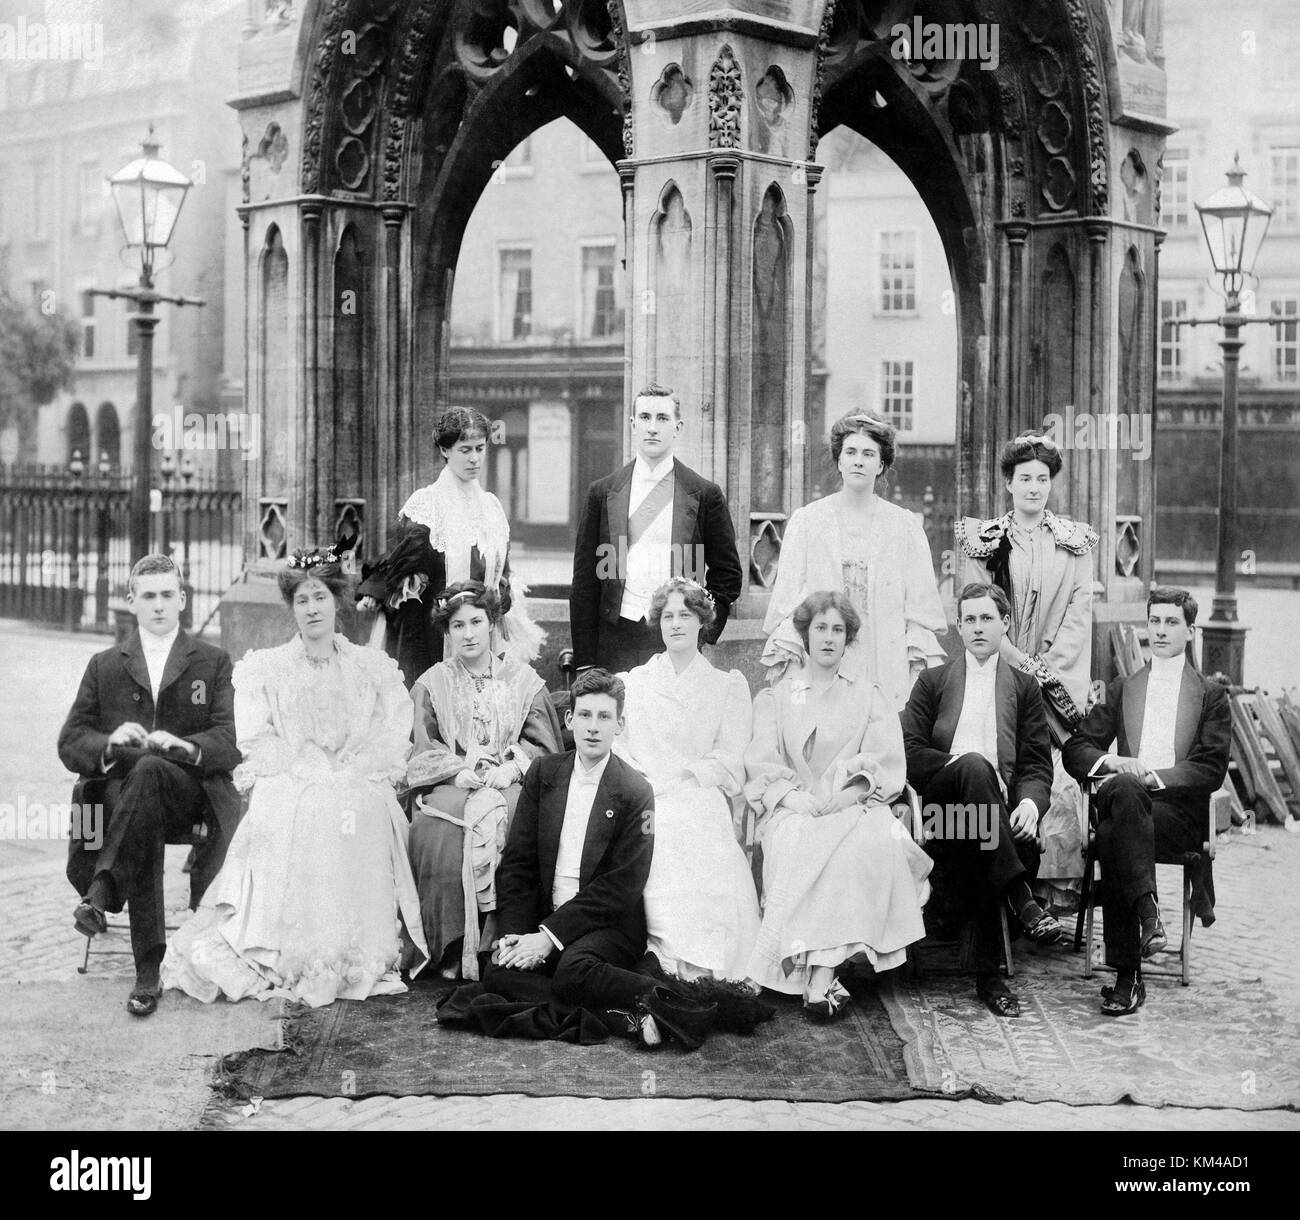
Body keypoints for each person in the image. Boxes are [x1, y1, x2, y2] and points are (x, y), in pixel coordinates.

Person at [161, 547, 429, 1007]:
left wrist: (356, 765)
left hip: (353, 776)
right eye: (302, 600)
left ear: (337, 602)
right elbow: (256, 736)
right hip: (290, 777)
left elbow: (392, 730)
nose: (312, 609)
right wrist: (299, 765)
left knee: (357, 807)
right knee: (296, 808)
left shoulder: (369, 667)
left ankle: (348, 953)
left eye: (320, 597)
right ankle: (290, 953)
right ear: (293, 608)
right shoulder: (268, 669)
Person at [448, 669, 721, 1050]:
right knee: (498, 972)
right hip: (547, 918)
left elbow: (622, 886)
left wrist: (548, 939)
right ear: (569, 719)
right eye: (586, 715)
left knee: (572, 970)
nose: (593, 727)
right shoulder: (544, 773)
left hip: (607, 925)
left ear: (620, 724)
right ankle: (627, 1014)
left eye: (605, 717)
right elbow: (519, 864)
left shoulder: (636, 790)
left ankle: (669, 997)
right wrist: (515, 934)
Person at [59, 554, 242, 1018]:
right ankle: (148, 970)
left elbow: (229, 740)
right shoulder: (103, 665)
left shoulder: (213, 662)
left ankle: (102, 895)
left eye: (167, 595)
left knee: (150, 775)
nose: (158, 605)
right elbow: (71, 741)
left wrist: (182, 745)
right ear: (131, 602)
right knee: (140, 786)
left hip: (190, 798)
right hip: (126, 798)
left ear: (182, 599)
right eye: (148, 596)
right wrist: (108, 741)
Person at [744, 591, 933, 1019]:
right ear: (804, 635)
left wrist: (845, 796)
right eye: (820, 628)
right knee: (797, 836)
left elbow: (887, 763)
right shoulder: (778, 697)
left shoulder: (867, 695)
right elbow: (760, 760)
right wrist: (791, 796)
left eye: (838, 630)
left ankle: (820, 973)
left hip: (857, 805)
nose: (828, 638)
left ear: (848, 639)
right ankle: (813, 975)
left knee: (859, 843)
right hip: (794, 808)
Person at [1061, 587, 1229, 1017]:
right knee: (1123, 799)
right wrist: (1112, 760)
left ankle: (1128, 976)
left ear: (1190, 631)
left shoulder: (1210, 696)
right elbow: (1077, 749)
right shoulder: (1124, 688)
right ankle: (1148, 915)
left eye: (1171, 622)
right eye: (1154, 621)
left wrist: (1152, 776)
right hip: (1128, 804)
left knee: (1119, 820)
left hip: (1175, 816)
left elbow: (1209, 768)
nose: (1160, 630)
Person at [899, 582, 1060, 1018]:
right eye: (969, 619)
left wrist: (1029, 803)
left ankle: (991, 977)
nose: (977, 627)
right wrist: (960, 762)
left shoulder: (1025, 689)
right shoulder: (932, 682)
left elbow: (1036, 765)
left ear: (1005, 624)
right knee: (973, 766)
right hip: (941, 818)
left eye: (987, 618)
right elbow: (907, 752)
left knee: (985, 834)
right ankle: (1020, 897)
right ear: (958, 626)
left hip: (995, 823)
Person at [956, 430, 1099, 912]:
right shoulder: (985, 542)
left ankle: (1049, 894)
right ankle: (1002, 888)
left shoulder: (1074, 544)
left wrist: (1048, 672)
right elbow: (978, 611)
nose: (1034, 487)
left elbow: (1080, 612)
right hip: (1000, 668)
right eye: (1024, 479)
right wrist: (1016, 662)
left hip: (1056, 683)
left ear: (1051, 484)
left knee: (1057, 777)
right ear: (1009, 485)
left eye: (1042, 479)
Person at [405, 581, 563, 981]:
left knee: (511, 817)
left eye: (477, 622)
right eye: (458, 626)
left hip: (511, 781)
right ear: (447, 632)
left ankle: (500, 943)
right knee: (435, 828)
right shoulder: (432, 682)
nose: (469, 633)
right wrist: (457, 768)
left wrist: (512, 767)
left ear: (493, 623)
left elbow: (546, 745)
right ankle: (452, 945)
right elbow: (421, 746)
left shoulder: (524, 680)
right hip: (454, 781)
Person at [615, 577, 760, 981]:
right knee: (661, 834)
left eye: (685, 615)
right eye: (667, 616)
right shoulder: (634, 683)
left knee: (702, 838)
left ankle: (708, 963)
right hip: (646, 796)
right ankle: (671, 956)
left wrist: (687, 776)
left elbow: (731, 758)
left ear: (702, 622)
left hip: (699, 793)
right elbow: (620, 746)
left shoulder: (725, 686)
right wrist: (646, 782)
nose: (675, 624)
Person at [762, 412, 947, 710]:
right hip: (823, 657)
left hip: (884, 661)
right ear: (839, 461)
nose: (858, 461)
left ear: (881, 464)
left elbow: (920, 614)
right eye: (850, 452)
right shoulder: (808, 522)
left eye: (868, 453)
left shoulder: (905, 527)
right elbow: (789, 610)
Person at [358, 407, 542, 687]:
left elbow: (503, 573)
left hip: (484, 643)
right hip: (433, 644)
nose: (474, 458)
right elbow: (405, 586)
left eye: (480, 448)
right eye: (464, 449)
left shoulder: (492, 507)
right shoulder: (426, 505)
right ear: (445, 450)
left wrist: (498, 596)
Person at [570, 383, 743, 674]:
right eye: (645, 418)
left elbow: (727, 577)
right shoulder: (602, 492)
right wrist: (586, 659)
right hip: (614, 639)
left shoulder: (704, 494)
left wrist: (701, 634)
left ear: (677, 427)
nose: (653, 427)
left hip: (675, 639)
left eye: (662, 418)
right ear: (633, 425)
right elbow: (585, 581)